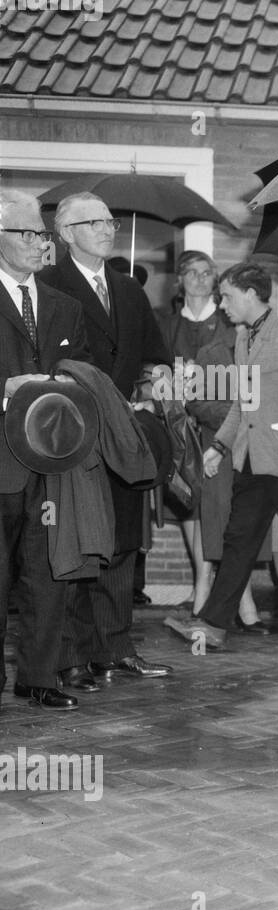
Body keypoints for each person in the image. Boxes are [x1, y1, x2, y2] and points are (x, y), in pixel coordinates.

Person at [40, 191, 172, 689]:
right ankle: (71, 656)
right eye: (92, 221)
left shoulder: (129, 288)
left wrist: (159, 376)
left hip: (124, 436)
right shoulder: (49, 285)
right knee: (77, 543)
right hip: (73, 437)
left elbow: (156, 354)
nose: (107, 227)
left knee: (121, 545)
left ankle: (114, 650)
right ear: (66, 233)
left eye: (110, 220)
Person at [164, 262, 278, 649]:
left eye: (227, 296)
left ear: (251, 295)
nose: (222, 304)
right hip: (251, 462)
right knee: (238, 541)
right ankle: (213, 624)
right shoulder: (243, 340)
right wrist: (219, 448)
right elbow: (243, 405)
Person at [0, 187, 93, 712]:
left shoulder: (64, 306)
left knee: (47, 574)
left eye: (42, 233)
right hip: (0, 462)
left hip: (53, 461)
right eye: (30, 234)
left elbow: (81, 373)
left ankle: (38, 676)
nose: (41, 243)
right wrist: (6, 390)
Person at [156, 249, 257, 623]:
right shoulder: (166, 326)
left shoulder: (228, 324)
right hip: (178, 428)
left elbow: (243, 382)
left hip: (218, 425)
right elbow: (155, 369)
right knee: (187, 501)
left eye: (207, 272)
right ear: (179, 280)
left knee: (223, 507)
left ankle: (228, 591)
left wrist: (207, 395)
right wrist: (170, 391)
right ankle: (206, 581)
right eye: (192, 272)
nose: (200, 278)